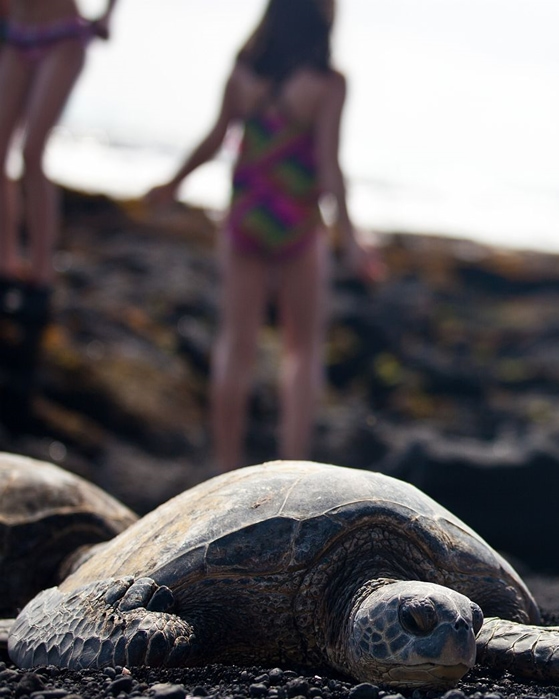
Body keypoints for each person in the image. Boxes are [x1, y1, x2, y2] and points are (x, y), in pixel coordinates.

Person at [147, 0, 383, 472]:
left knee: (237, 344)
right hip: (297, 224)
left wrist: (173, 183)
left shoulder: (244, 75)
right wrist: (351, 239)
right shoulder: (328, 84)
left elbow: (216, 139)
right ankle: (294, 465)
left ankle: (224, 465)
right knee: (303, 349)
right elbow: (330, 165)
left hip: (245, 219)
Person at [0, 0, 118, 429]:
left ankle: (43, 272)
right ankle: (8, 259)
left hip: (61, 32)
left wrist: (108, 14)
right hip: (16, 30)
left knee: (32, 151)